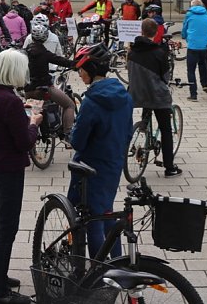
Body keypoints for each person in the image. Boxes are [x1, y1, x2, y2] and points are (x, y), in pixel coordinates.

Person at [0, 49, 40, 304]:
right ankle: (0, 292)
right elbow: (24, 142)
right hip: (7, 169)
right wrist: (34, 122)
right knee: (7, 227)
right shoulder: (10, 101)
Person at [68, 43, 133, 259]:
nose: (79, 73)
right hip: (113, 164)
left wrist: (72, 132)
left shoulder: (91, 102)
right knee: (106, 212)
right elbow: (129, 132)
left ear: (92, 69)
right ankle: (115, 262)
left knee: (93, 220)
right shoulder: (125, 96)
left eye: (81, 69)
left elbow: (78, 141)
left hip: (90, 167)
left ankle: (98, 270)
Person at [127, 19, 182, 177]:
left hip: (137, 94)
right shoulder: (159, 53)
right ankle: (169, 167)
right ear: (156, 32)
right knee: (166, 129)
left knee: (147, 113)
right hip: (157, 96)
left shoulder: (131, 52)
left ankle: (142, 131)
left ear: (141, 31)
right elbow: (165, 76)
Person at [24, 22, 76, 136]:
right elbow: (60, 60)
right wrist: (75, 64)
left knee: (32, 115)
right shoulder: (43, 53)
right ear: (45, 37)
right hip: (44, 88)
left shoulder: (25, 51)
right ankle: (68, 133)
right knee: (69, 105)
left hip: (28, 90)